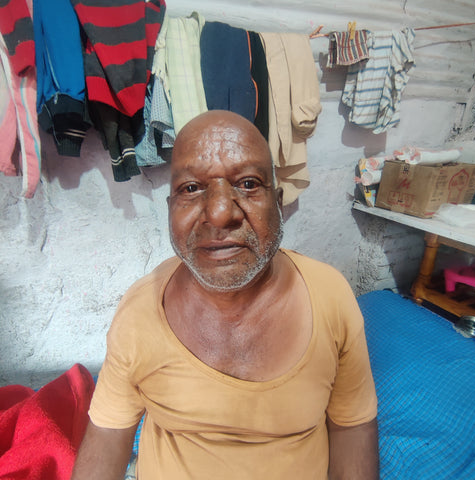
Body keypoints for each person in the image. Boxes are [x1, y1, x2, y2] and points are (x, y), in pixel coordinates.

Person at [71, 110, 379, 480]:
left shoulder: (330, 298)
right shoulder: (140, 312)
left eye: (248, 184)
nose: (219, 214)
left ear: (278, 203)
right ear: (171, 209)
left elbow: (352, 425)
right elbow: (107, 433)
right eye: (191, 188)